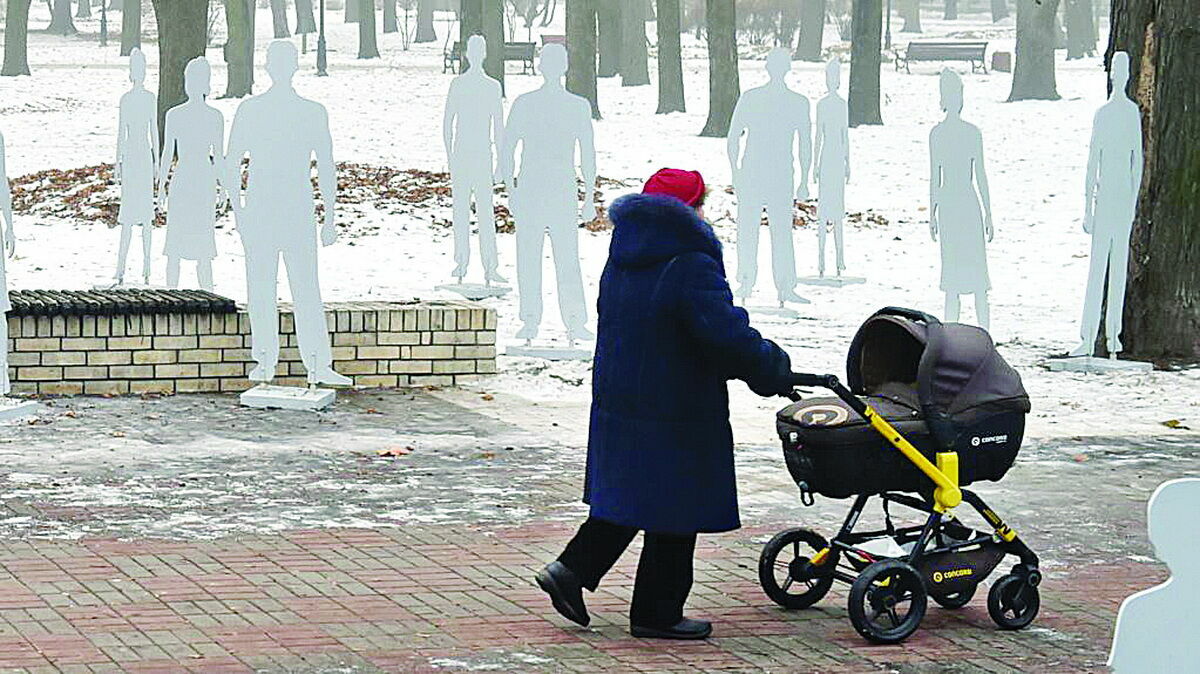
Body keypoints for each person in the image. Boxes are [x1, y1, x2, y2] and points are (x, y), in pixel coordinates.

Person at [535, 168, 793, 640]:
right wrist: (772, 368)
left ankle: (570, 570)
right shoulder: (689, 262)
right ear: (688, 210)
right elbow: (724, 335)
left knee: (635, 495)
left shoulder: (625, 255)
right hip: (678, 405)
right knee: (677, 506)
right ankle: (656, 612)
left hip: (624, 397)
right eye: (700, 205)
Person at [225, 41, 350, 386]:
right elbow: (231, 162)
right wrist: (239, 212)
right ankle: (264, 360)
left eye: (286, 61)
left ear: (294, 66)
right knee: (261, 287)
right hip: (263, 206)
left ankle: (317, 362)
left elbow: (326, 165)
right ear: (268, 67)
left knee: (306, 287)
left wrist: (330, 216)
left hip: (296, 206)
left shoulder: (312, 111)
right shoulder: (251, 110)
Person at [500, 43, 596, 343]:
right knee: (531, 256)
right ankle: (531, 318)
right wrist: (511, 189)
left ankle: (573, 319)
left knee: (565, 257)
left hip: (559, 189)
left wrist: (589, 195)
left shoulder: (577, 106)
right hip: (533, 187)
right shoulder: (525, 104)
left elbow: (588, 154)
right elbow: (507, 149)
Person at [1071, 51, 1142, 358]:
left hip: (1122, 199)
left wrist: (1133, 202)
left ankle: (1115, 335)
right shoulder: (1103, 114)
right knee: (1097, 268)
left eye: (1124, 69)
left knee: (1118, 271)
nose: (1120, 74)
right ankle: (1087, 336)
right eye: (1116, 69)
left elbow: (1136, 160)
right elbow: (1092, 162)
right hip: (1105, 198)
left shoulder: (1131, 113)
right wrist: (1088, 206)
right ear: (1112, 74)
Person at [727, 47, 811, 305]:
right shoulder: (762, 99)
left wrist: (804, 179)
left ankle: (775, 284)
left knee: (774, 230)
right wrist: (736, 173)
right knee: (758, 230)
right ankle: (750, 281)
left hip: (771, 172)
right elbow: (733, 137)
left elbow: (804, 144)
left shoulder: (791, 102)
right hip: (762, 172)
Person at [929, 69, 994, 331]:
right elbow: (937, 176)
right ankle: (962, 331)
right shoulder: (962, 133)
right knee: (959, 278)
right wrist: (931, 213)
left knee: (971, 278)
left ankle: (975, 331)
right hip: (959, 203)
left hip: (958, 204)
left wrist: (989, 213)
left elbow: (978, 175)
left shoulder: (948, 133)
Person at [443, 34, 506, 285]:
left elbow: (498, 127)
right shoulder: (458, 85)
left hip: (481, 154)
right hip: (464, 154)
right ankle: (461, 262)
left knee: (484, 212)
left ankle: (490, 266)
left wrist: (501, 162)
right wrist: (450, 157)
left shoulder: (492, 86)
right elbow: (447, 123)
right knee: (461, 211)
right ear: (469, 54)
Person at [159, 57, 224, 292]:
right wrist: (161, 186)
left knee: (202, 247)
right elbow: (168, 153)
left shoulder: (212, 117)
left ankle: (207, 294)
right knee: (175, 246)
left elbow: (218, 155)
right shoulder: (175, 115)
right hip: (187, 178)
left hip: (198, 179)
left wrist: (222, 188)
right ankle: (171, 293)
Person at [114, 48, 158, 286]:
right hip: (131, 156)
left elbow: (154, 131)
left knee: (146, 217)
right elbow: (121, 132)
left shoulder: (150, 98)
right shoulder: (126, 99)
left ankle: (147, 266)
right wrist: (117, 162)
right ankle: (120, 267)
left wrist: (157, 162)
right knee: (128, 216)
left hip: (143, 155)